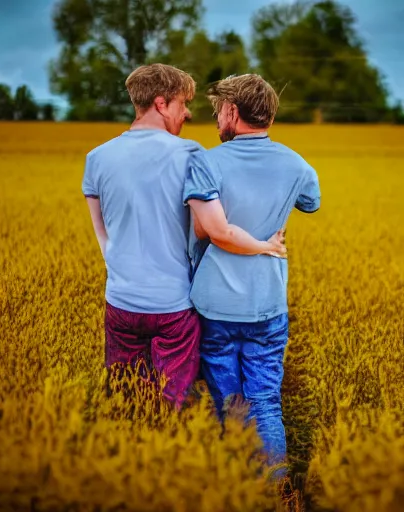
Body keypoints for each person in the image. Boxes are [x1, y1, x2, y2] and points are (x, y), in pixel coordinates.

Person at [82, 64, 286, 409]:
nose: (188, 112)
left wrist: (120, 270)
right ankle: (169, 452)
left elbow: (101, 232)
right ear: (161, 104)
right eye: (182, 103)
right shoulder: (191, 155)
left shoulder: (96, 158)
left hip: (120, 302)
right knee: (169, 405)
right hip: (174, 308)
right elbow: (206, 230)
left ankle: (129, 457)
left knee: (125, 401)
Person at [184, 74, 321, 464]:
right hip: (268, 302)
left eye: (217, 111)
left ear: (232, 111)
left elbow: (204, 228)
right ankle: (276, 492)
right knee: (265, 401)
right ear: (270, 118)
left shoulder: (206, 162)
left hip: (214, 306)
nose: (216, 118)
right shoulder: (296, 164)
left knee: (226, 401)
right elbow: (311, 203)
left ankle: (233, 484)